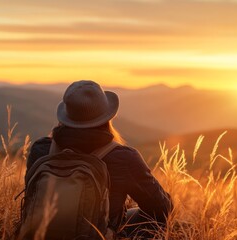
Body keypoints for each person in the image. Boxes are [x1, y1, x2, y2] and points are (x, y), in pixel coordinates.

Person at [25, 80, 173, 239]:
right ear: (107, 117)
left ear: (66, 116)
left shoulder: (41, 150)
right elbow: (161, 209)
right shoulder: (124, 158)